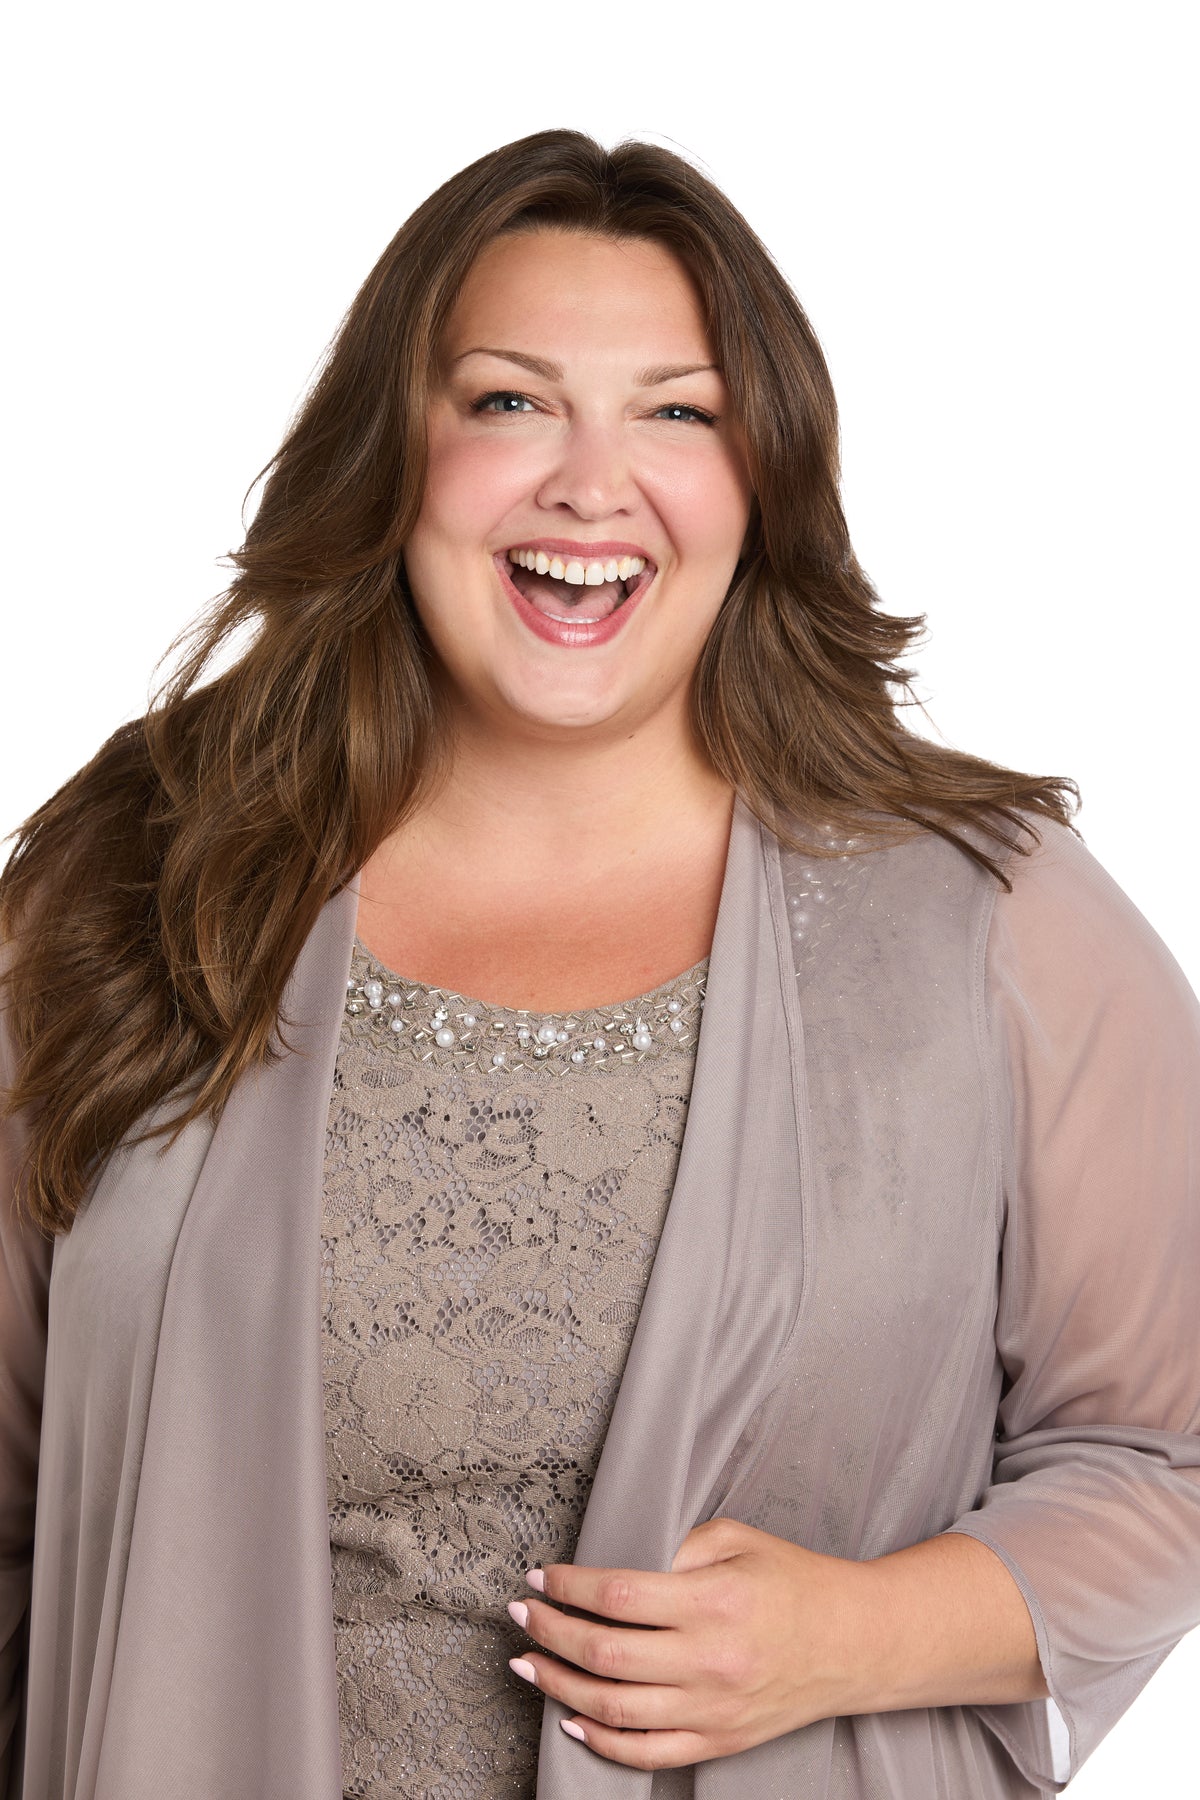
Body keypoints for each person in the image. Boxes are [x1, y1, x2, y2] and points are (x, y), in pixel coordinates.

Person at [1, 128, 1197, 1800]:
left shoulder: (996, 921)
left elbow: (1170, 1457)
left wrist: (855, 1634)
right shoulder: (144, 874)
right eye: (510, 400)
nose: (588, 482)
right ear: (394, 453)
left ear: (762, 479)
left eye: (677, 412)